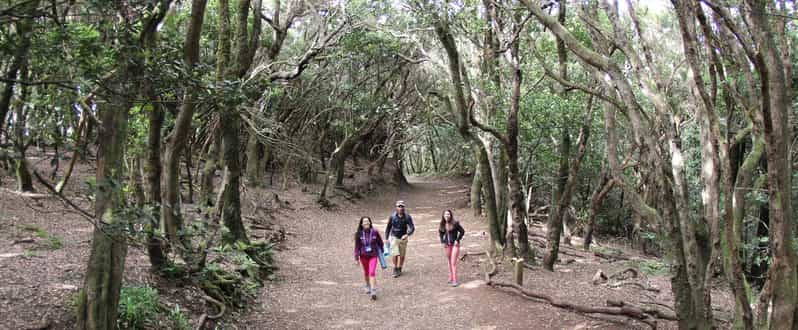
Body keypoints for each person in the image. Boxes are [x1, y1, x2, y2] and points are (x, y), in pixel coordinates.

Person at [354, 216, 384, 300]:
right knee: (366, 272)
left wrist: (382, 251)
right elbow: (357, 247)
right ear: (362, 224)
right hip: (363, 256)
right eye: (364, 222)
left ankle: (373, 291)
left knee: (371, 272)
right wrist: (356, 258)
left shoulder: (375, 232)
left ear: (370, 223)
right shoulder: (359, 234)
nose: (366, 223)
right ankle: (367, 284)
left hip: (373, 256)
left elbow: (380, 242)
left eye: (368, 221)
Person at [385, 200, 415, 277]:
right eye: (399, 206)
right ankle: (395, 268)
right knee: (394, 254)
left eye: (402, 206)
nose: (400, 208)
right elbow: (388, 228)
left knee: (402, 255)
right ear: (396, 207)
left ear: (404, 207)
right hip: (394, 237)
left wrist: (407, 234)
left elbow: (412, 228)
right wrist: (386, 238)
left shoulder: (407, 217)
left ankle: (400, 267)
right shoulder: (392, 216)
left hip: (403, 238)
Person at [439, 210, 465, 287]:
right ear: (443, 216)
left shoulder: (455, 223)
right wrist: (442, 242)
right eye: (445, 214)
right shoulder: (442, 224)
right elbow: (440, 233)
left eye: (448, 214)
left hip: (455, 245)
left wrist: (458, 240)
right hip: (447, 245)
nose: (447, 215)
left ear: (450, 215)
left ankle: (455, 280)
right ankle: (450, 277)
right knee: (449, 261)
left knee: (453, 262)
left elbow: (462, 231)